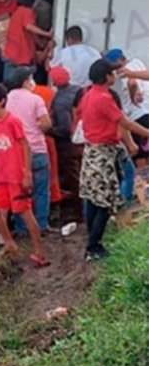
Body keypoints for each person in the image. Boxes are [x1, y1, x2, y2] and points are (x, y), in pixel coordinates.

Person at [79, 59, 149, 261]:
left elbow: (119, 123)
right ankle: (93, 247)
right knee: (105, 202)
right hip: (102, 154)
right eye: (112, 73)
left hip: (93, 151)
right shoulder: (103, 97)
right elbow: (124, 121)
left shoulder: (89, 95)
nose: (115, 75)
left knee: (94, 199)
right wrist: (146, 132)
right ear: (107, 76)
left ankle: (92, 241)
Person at [0, 84, 50, 266]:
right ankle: (8, 242)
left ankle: (40, 252)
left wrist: (27, 173)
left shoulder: (13, 121)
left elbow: (26, 146)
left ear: (2, 101)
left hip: (15, 176)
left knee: (25, 212)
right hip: (2, 176)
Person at [5, 66, 56, 236]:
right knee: (41, 190)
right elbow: (46, 124)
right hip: (37, 149)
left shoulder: (5, 100)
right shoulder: (36, 100)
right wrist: (37, 126)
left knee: (20, 192)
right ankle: (41, 225)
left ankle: (22, 228)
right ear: (26, 81)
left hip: (16, 154)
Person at [49, 66, 84, 221]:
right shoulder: (79, 91)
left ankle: (80, 213)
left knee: (74, 179)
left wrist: (48, 130)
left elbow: (64, 128)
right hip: (85, 140)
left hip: (68, 146)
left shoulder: (59, 101)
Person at [105, 48, 149, 166]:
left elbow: (132, 83)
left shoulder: (122, 72)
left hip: (137, 117)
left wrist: (133, 94)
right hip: (148, 110)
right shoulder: (137, 62)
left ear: (118, 61)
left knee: (141, 155)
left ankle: (143, 182)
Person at [4, 0, 53, 79]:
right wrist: (47, 34)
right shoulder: (27, 11)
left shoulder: (17, 13)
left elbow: (29, 32)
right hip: (21, 57)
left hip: (11, 55)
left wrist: (41, 44)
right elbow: (29, 27)